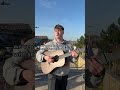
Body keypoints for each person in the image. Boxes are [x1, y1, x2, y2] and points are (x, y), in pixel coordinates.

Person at [36, 24, 79, 90]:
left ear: (63, 32)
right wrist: (45, 57)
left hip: (64, 76)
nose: (57, 32)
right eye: (55, 31)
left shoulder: (69, 45)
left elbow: (72, 60)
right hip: (53, 76)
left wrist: (75, 57)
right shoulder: (49, 44)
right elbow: (38, 54)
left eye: (59, 30)